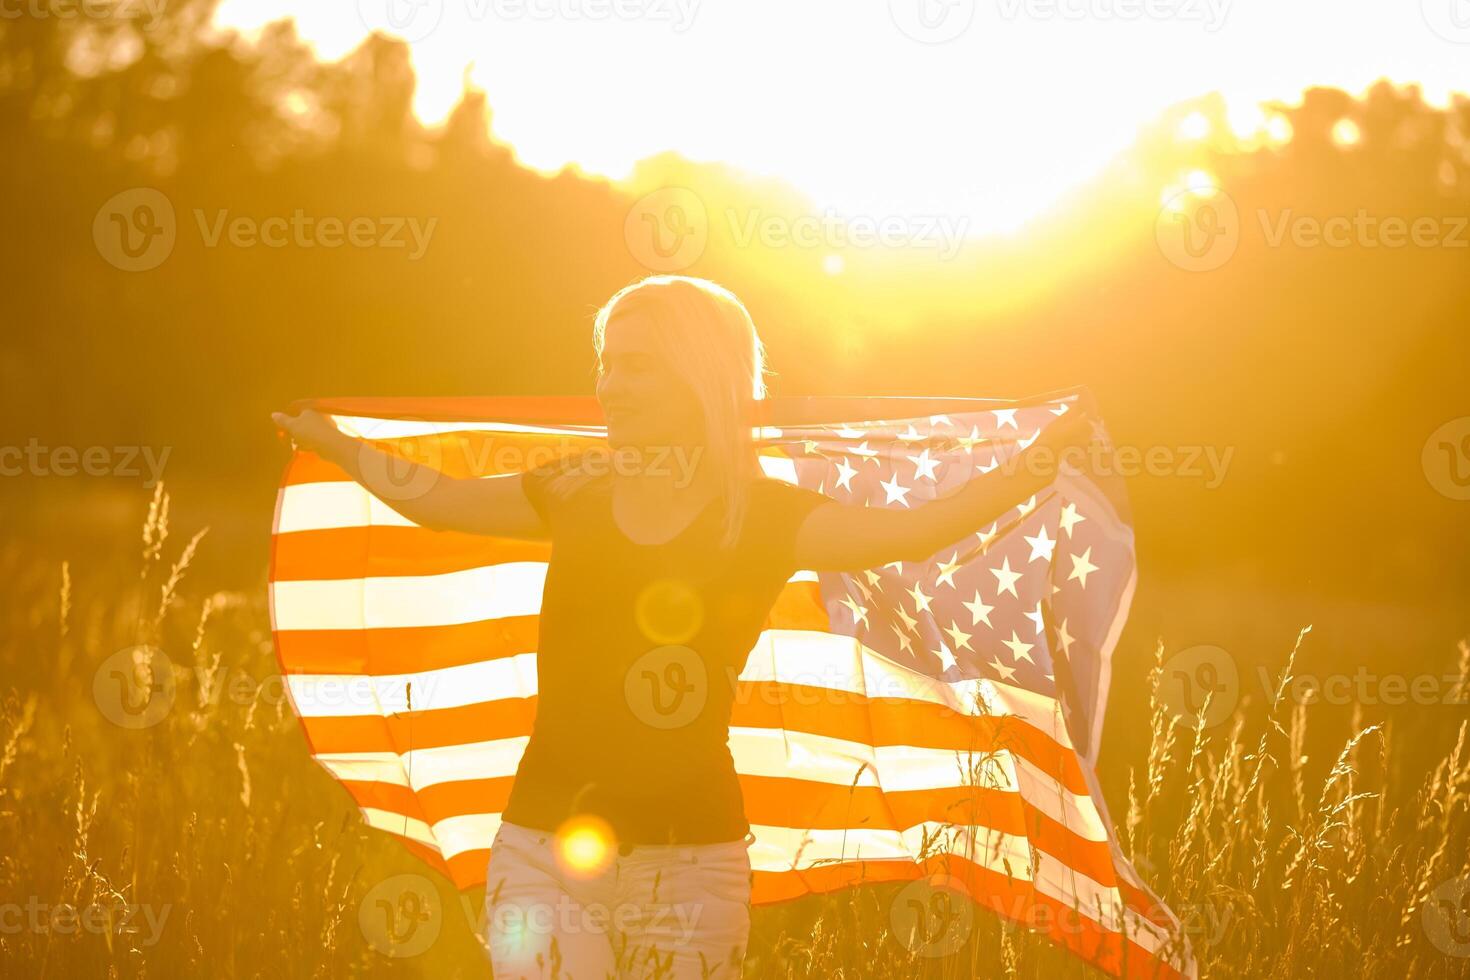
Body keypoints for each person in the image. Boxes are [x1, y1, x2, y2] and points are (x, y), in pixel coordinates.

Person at [272, 274, 1093, 978]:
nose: (610, 385)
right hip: (540, 854)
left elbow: (914, 533)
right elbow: (441, 504)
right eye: (606, 364)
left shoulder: (765, 519)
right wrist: (335, 443)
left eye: (637, 366)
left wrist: (1041, 461)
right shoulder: (578, 489)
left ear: (699, 379)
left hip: (695, 869)